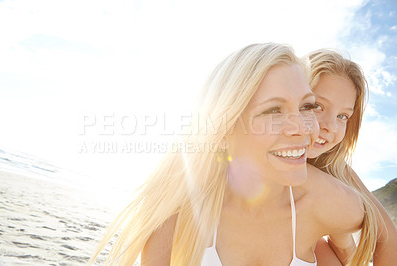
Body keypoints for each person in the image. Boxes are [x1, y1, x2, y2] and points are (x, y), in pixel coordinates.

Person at [90, 43, 367, 265]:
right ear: (222, 131)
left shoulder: (332, 206)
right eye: (273, 111)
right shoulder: (181, 208)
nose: (305, 129)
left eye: (307, 106)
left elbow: (377, 244)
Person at [306, 49, 397, 265]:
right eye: (318, 106)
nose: (330, 126)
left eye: (342, 116)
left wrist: (344, 243)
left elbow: (387, 237)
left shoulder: (334, 168)